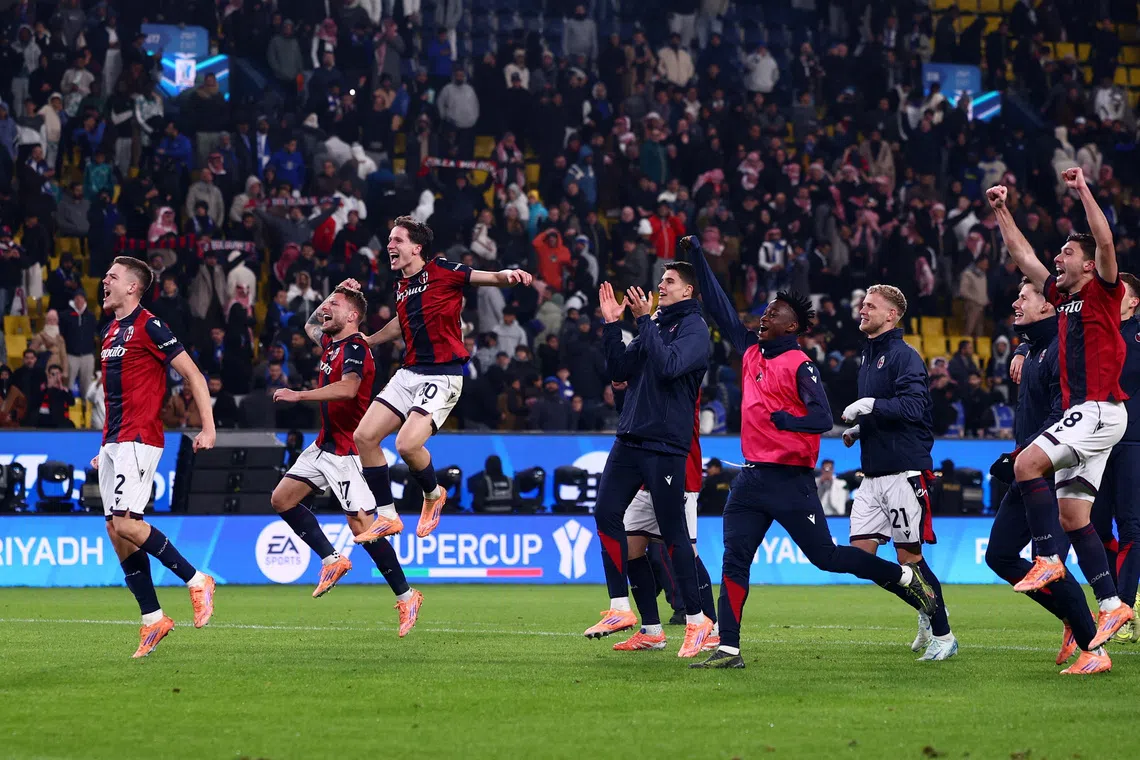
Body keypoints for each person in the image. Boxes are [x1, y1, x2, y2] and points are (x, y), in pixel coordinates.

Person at [688, 236, 936, 669]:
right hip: (750, 478)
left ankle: (898, 575)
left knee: (826, 558)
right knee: (734, 559)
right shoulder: (750, 351)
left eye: (774, 315)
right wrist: (698, 260)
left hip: (790, 481)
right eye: (765, 311)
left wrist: (789, 421)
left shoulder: (801, 364)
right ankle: (729, 647)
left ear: (791, 327)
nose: (765, 317)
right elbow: (720, 307)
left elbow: (822, 418)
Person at [988, 171, 1132, 655]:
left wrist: (1083, 191)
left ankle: (1047, 557)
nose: (1057, 258)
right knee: (1075, 516)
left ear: (1091, 265)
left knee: (1028, 463)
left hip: (1098, 407)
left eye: (1068, 253)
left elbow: (1106, 240)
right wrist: (1001, 211)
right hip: (1092, 416)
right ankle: (1111, 603)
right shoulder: (1063, 298)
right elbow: (1024, 257)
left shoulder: (1103, 291)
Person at [353, 217, 532, 544]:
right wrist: (370, 339)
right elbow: (400, 322)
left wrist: (511, 275)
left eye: (397, 240)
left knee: (406, 444)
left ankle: (434, 494)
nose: (390, 246)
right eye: (390, 240)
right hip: (409, 372)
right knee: (364, 437)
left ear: (416, 248)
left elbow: (489, 277)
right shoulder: (401, 285)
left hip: (443, 373)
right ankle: (388, 516)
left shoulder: (443, 270)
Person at [268, 283, 423, 637]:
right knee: (282, 499)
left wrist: (299, 395)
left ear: (352, 316)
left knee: (363, 530)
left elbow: (349, 389)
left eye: (334, 306)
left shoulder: (356, 348)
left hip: (347, 452)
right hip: (323, 446)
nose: (325, 310)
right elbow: (310, 325)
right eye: (326, 305)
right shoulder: (329, 342)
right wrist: (334, 293)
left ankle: (407, 595)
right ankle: (331, 558)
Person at [583, 266, 715, 659]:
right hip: (630, 437)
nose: (661, 285)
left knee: (674, 536)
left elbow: (670, 366)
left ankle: (697, 620)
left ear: (689, 289)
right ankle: (621, 609)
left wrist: (643, 322)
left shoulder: (695, 329)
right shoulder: (654, 324)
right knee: (606, 512)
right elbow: (620, 370)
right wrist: (612, 326)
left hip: (665, 446)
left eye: (669, 281)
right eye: (661, 280)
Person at [92, 256, 217, 658]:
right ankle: (153, 618)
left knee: (127, 524)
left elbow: (193, 375)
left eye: (112, 277)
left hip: (140, 438)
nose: (105, 281)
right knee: (116, 529)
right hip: (114, 440)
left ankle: (197, 579)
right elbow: (114, 396)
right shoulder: (111, 331)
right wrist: (103, 446)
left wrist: (208, 426)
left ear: (132, 287)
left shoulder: (150, 326)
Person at [986, 277, 1102, 674]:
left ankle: (1094, 650)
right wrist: (1022, 347)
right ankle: (1073, 613)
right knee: (999, 555)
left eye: (1024, 297)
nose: (1016, 303)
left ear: (1048, 306)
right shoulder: (1035, 347)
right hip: (1028, 468)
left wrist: (1021, 455)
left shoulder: (1060, 351)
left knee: (1046, 559)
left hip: (1048, 469)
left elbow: (1061, 415)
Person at [840, 284, 957, 661]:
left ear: (891, 315)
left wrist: (869, 404)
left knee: (910, 559)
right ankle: (924, 607)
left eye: (871, 305)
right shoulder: (868, 357)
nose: (863, 309)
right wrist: (861, 428)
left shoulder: (905, 356)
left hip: (904, 472)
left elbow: (913, 408)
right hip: (872, 474)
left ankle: (944, 634)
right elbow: (888, 414)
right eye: (863, 304)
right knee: (862, 558)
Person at [606, 383, 719, 652]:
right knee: (631, 548)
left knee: (686, 550)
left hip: (677, 471)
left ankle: (711, 628)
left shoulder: (679, 366)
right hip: (644, 474)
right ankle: (652, 631)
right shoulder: (649, 372)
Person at [1089, 272, 1140, 643]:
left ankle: (1123, 604)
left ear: (1133, 301)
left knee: (1131, 526)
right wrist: (1025, 348)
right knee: (1095, 525)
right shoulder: (1095, 329)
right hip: (1097, 441)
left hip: (1133, 441)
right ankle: (1111, 602)